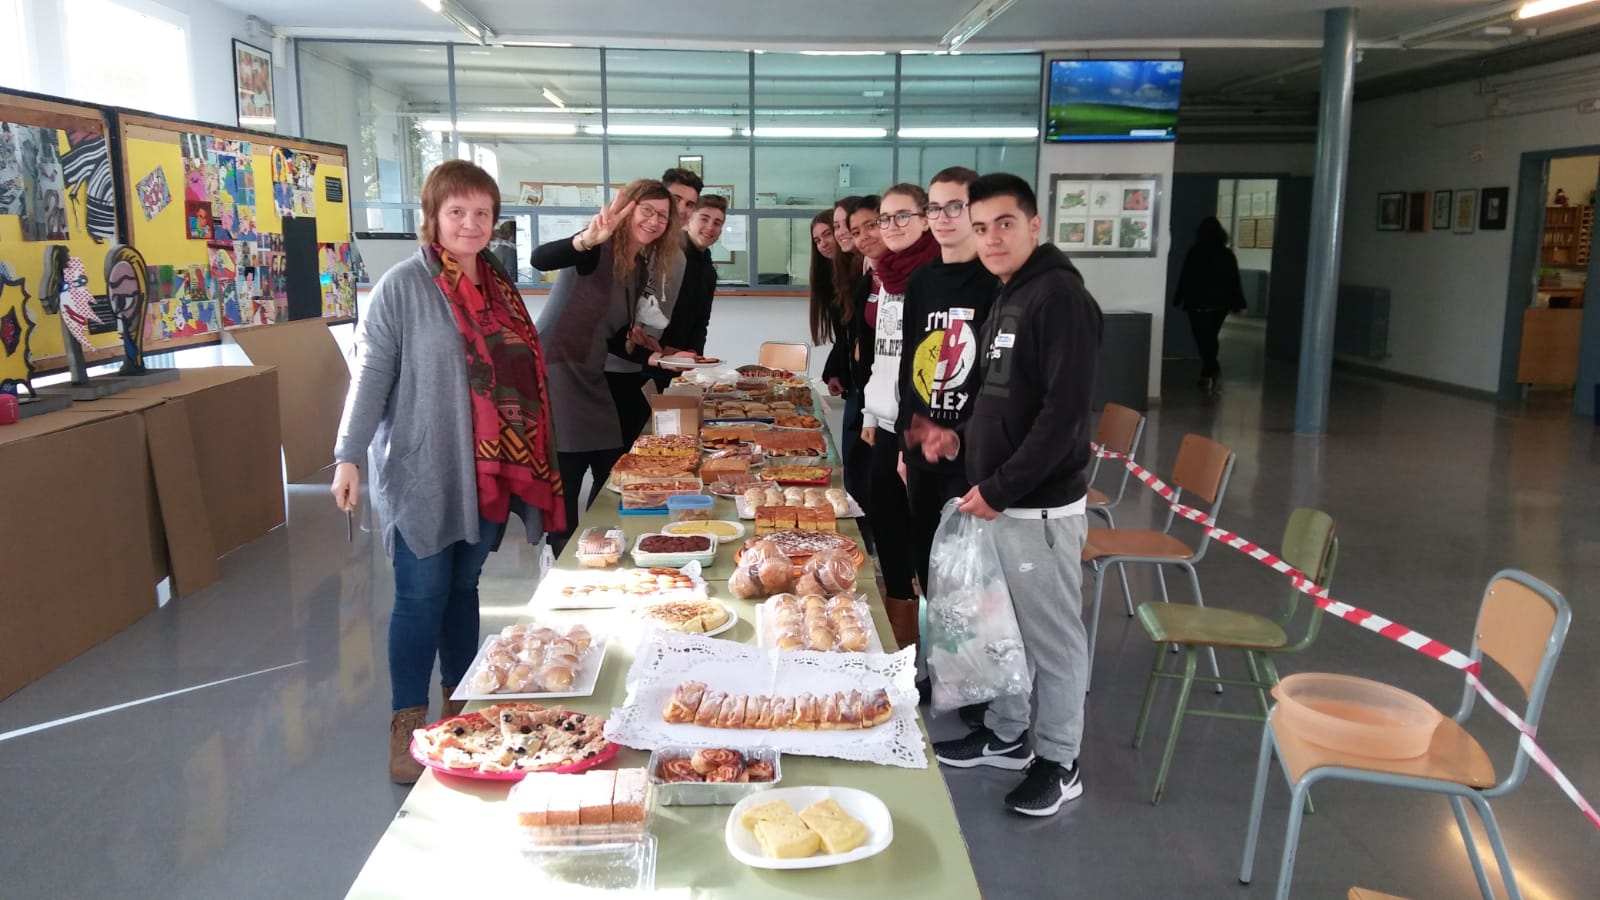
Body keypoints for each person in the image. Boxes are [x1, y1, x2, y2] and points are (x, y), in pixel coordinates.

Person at [331, 160, 565, 784]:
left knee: (463, 592)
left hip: (486, 472)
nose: (469, 223)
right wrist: (348, 454)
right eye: (456, 212)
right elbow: (371, 376)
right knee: (420, 596)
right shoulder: (402, 287)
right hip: (425, 469)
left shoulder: (500, 285)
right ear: (432, 217)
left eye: (481, 213)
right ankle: (406, 721)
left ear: (494, 221)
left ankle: (461, 707)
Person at [919, 173, 1102, 818]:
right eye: (983, 224)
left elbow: (1064, 418)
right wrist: (958, 439)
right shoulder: (1011, 294)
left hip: (1037, 510)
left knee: (1052, 642)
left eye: (1006, 223)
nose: (991, 237)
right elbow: (1005, 401)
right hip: (999, 500)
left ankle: (1059, 761)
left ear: (1034, 226)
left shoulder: (1060, 298)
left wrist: (998, 487)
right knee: (1004, 633)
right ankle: (1005, 735)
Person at [533, 179, 686, 556]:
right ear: (627, 209)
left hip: (591, 372)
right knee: (567, 473)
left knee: (612, 467)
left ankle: (599, 547)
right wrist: (586, 237)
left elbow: (617, 337)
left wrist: (657, 357)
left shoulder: (636, 268)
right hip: (557, 373)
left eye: (662, 216)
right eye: (646, 210)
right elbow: (541, 258)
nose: (653, 221)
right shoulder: (595, 248)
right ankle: (558, 557)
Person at [894, 166, 999, 619]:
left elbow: (999, 380)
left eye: (955, 206)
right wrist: (904, 440)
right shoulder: (921, 282)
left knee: (968, 572)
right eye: (934, 207)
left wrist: (973, 442)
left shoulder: (995, 281)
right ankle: (935, 660)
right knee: (927, 559)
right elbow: (909, 365)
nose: (942, 217)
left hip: (971, 453)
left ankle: (967, 679)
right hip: (922, 450)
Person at [860, 183, 939, 649]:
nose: (890, 227)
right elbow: (884, 358)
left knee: (924, 542)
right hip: (886, 421)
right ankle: (901, 646)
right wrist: (871, 412)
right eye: (884, 219)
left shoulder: (931, 276)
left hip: (920, 428)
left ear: (926, 219)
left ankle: (938, 651)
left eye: (901, 217)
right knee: (887, 528)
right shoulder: (887, 276)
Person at [651, 193, 727, 391]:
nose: (710, 227)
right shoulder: (669, 257)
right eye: (704, 218)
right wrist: (665, 350)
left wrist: (694, 351)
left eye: (717, 223)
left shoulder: (708, 270)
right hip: (654, 358)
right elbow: (649, 310)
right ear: (689, 221)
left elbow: (702, 320)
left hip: (683, 363)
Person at [1172, 216, 1246, 394]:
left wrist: (1178, 298)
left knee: (1203, 340)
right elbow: (1234, 280)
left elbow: (1186, 277)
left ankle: (1215, 371)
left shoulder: (1195, 252)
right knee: (1211, 338)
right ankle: (1206, 375)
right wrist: (1240, 303)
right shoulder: (1227, 254)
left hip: (1197, 304)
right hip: (1221, 305)